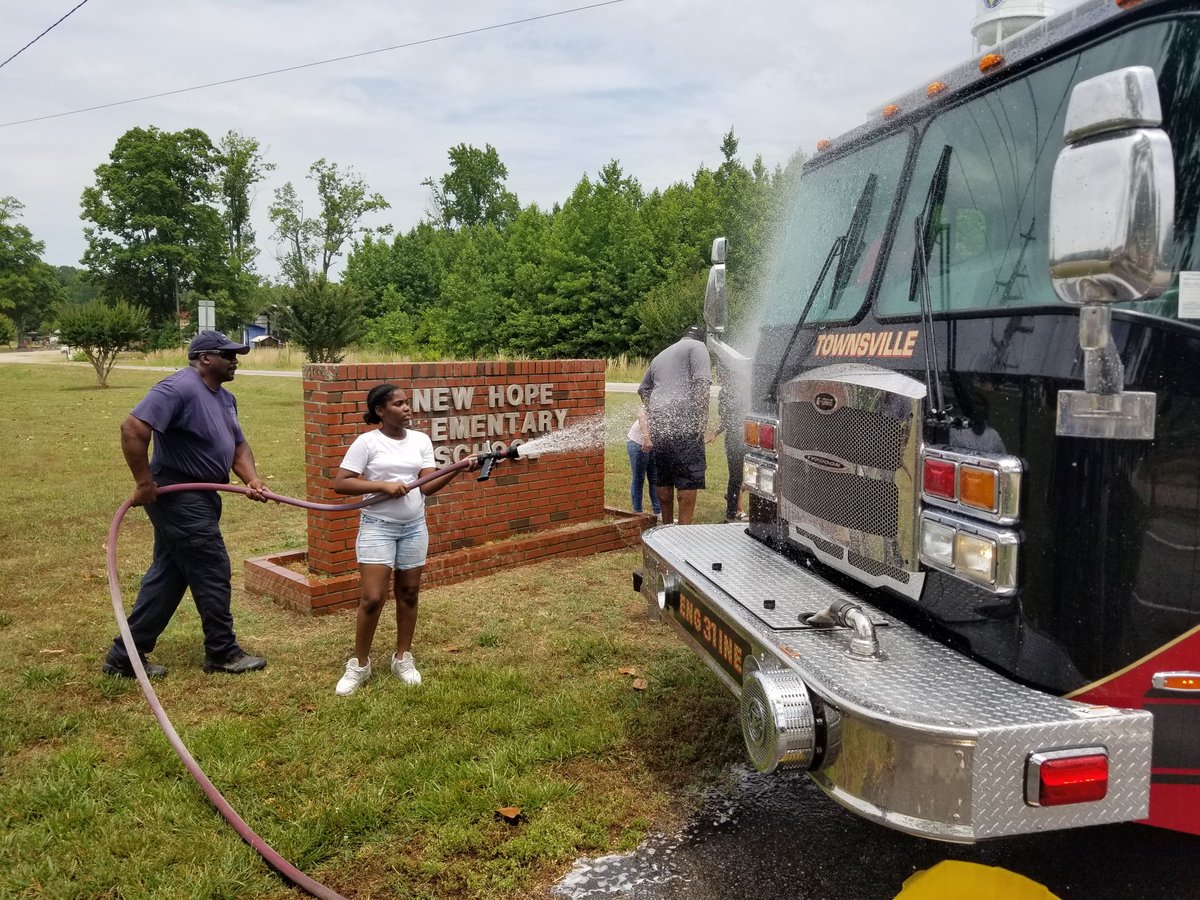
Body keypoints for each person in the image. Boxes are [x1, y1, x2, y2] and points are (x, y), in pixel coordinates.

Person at [101, 330, 269, 679]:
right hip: (178, 495)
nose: (235, 360)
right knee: (212, 568)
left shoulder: (225, 398)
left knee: (169, 575)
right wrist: (144, 482)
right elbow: (132, 428)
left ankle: (124, 656)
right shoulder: (178, 387)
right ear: (205, 358)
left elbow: (238, 447)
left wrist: (250, 478)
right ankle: (222, 651)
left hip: (203, 496)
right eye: (228, 355)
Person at [332, 383, 479, 696]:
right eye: (398, 404)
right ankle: (359, 664)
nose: (407, 408)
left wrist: (458, 468)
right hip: (377, 526)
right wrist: (383, 486)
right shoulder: (367, 442)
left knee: (409, 592)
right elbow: (341, 483)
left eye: (407, 403)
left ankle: (403, 658)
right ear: (380, 411)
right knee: (372, 597)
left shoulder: (420, 440)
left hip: (414, 526)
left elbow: (426, 486)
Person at [638, 324, 712, 525]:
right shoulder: (698, 348)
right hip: (684, 422)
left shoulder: (660, 355)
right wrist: (701, 420)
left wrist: (655, 410)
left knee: (664, 477)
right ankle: (683, 531)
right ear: (701, 338)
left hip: (660, 424)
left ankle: (667, 526)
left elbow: (643, 389)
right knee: (688, 477)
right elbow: (701, 386)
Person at [707, 361, 748, 522]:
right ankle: (730, 515)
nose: (719, 378)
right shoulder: (724, 393)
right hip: (733, 440)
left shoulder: (744, 390)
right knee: (736, 477)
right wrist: (715, 432)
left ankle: (735, 498)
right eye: (717, 375)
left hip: (749, 439)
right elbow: (726, 419)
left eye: (721, 375)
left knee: (751, 476)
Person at [626, 408, 662, 519]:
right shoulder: (651, 400)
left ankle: (658, 512)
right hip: (638, 444)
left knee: (655, 478)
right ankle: (638, 513)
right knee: (639, 478)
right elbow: (642, 417)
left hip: (653, 445)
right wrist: (646, 439)